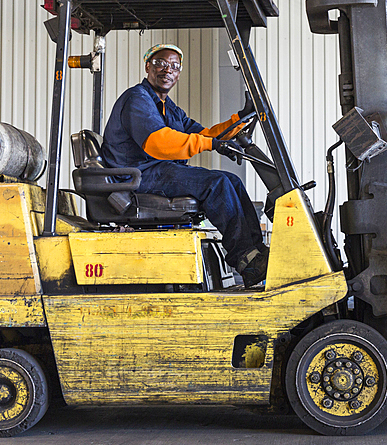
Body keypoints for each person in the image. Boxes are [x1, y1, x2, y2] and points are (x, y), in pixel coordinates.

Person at [102, 43, 268, 287]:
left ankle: (257, 252)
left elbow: (207, 134)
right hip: (138, 177)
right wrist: (211, 144)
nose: (167, 70)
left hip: (157, 171)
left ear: (179, 73)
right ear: (148, 66)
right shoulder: (137, 99)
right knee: (217, 184)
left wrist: (240, 118)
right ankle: (246, 260)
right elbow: (157, 142)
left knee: (232, 180)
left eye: (174, 66)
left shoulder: (169, 109)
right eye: (160, 63)